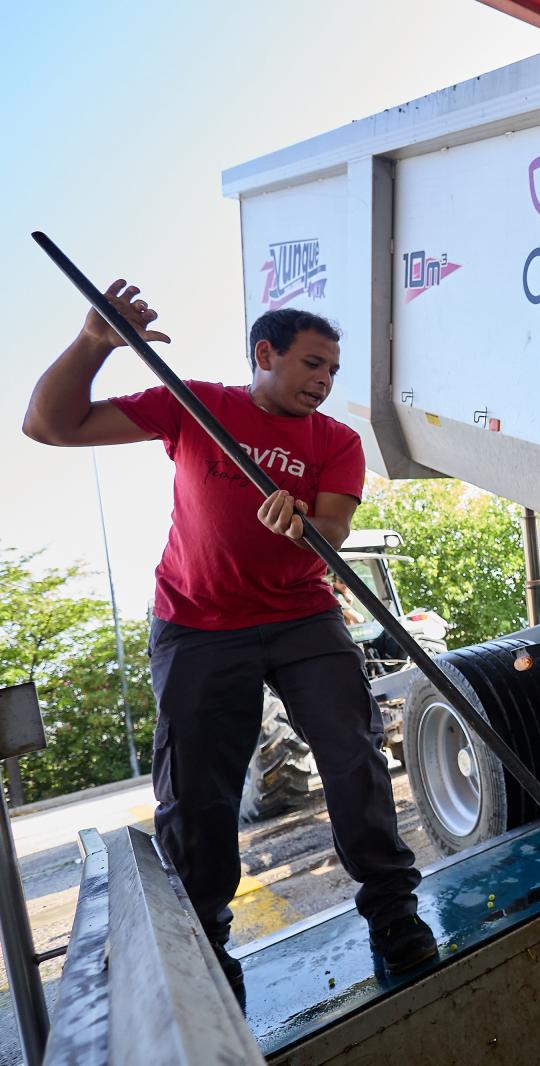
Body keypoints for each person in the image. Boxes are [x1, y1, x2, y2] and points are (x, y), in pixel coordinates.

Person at [22, 281, 437, 989]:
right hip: (197, 625)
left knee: (353, 754)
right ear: (264, 353)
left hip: (303, 617)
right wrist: (95, 343)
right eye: (313, 364)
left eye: (333, 371)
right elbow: (50, 426)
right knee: (197, 796)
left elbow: (333, 529)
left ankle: (393, 912)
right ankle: (207, 949)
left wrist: (306, 526)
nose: (325, 381)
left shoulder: (335, 441)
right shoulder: (195, 405)